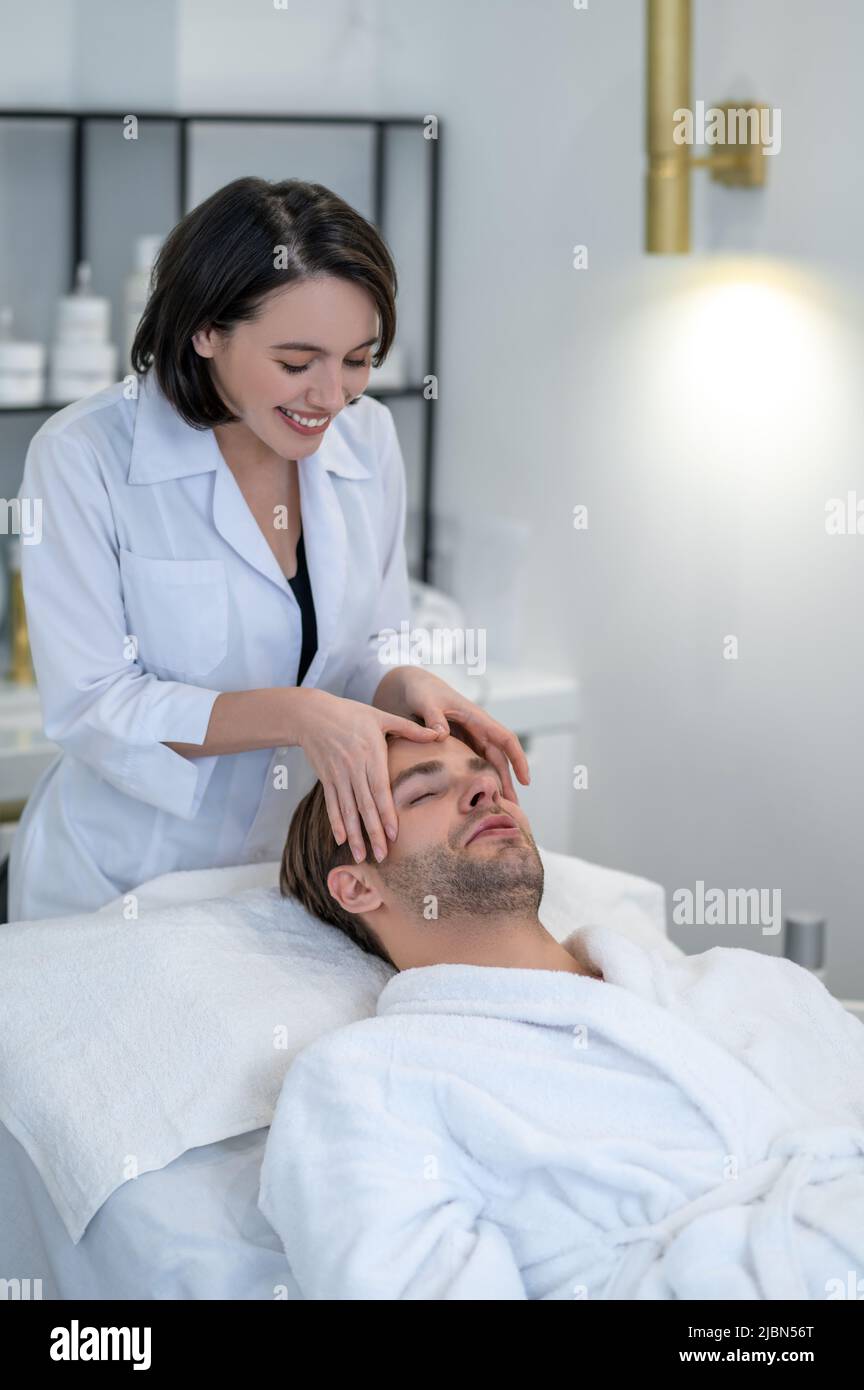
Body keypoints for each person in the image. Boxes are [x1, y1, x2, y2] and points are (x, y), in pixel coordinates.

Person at [8, 177, 528, 921]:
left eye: (358, 359)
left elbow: (369, 638)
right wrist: (298, 715)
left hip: (286, 883)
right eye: (296, 362)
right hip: (123, 886)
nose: (331, 396)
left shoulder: (367, 438)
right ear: (206, 330)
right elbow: (94, 705)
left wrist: (402, 682)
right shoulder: (82, 455)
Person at [258, 723, 864, 1300]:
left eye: (485, 775)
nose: (485, 789)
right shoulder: (365, 1081)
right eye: (424, 793)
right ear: (359, 887)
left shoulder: (749, 978)